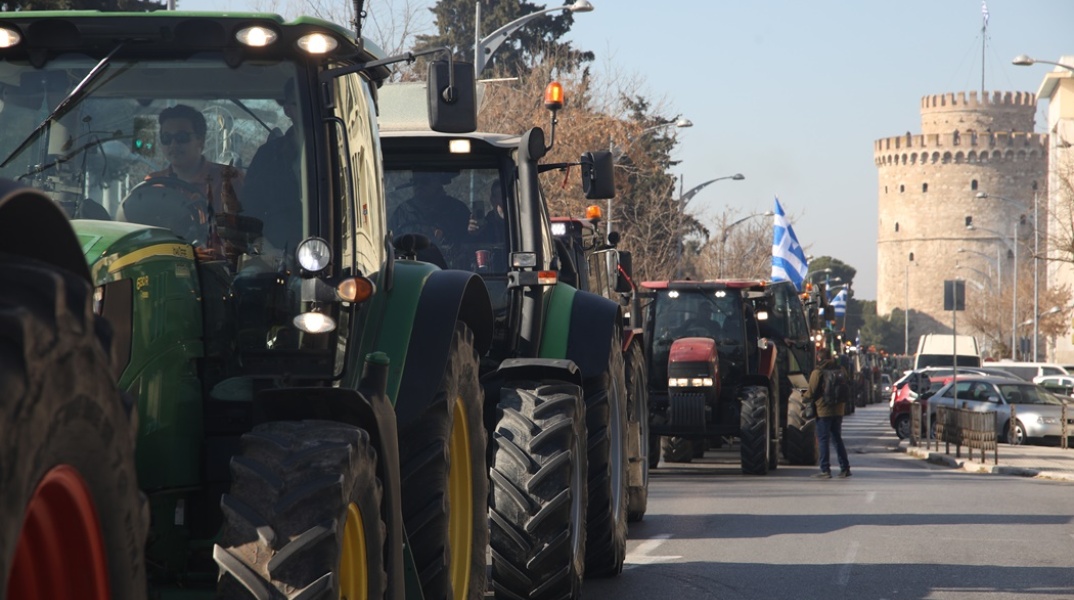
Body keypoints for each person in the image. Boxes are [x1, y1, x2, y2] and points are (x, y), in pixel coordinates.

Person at [146, 104, 244, 260]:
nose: (173, 145)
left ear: (201, 140)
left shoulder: (231, 179)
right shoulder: (152, 185)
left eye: (182, 137)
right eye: (166, 138)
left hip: (222, 272)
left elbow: (249, 234)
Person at [242, 81, 302, 252]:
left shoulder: (338, 151)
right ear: (287, 109)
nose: (307, 109)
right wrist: (262, 245)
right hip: (277, 255)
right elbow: (249, 208)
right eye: (299, 103)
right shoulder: (268, 156)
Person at [806, 348, 852, 479]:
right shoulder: (841, 370)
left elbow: (811, 391)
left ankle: (825, 470)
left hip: (823, 410)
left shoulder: (818, 372)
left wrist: (804, 397)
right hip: (838, 410)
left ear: (819, 358)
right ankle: (845, 468)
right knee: (837, 439)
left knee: (823, 440)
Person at [389, 173, 471, 244]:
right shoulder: (402, 212)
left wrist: (474, 233)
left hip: (447, 261)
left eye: (424, 181)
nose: (419, 185)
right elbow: (389, 244)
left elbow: (469, 244)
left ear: (438, 182)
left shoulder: (457, 210)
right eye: (415, 182)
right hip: (411, 261)